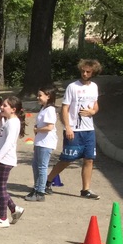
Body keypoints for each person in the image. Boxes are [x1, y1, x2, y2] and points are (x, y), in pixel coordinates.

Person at [46, 59, 102, 199]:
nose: (85, 74)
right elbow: (65, 108)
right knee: (67, 159)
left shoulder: (94, 87)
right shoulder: (72, 87)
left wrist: (93, 111)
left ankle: (85, 190)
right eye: (83, 71)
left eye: (88, 72)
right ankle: (48, 180)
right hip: (74, 129)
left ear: (93, 72)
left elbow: (95, 105)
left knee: (89, 159)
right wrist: (68, 127)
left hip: (89, 129)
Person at [0, 96, 26, 228]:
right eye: (2, 105)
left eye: (5, 106)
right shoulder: (8, 121)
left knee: (1, 188)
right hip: (1, 158)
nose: (1, 107)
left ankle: (3, 218)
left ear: (13, 109)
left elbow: (9, 143)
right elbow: (1, 133)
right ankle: (14, 209)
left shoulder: (13, 123)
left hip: (5, 160)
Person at [26, 87, 58, 202]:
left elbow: (50, 127)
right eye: (38, 95)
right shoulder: (43, 108)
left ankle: (40, 192)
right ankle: (36, 188)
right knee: (35, 165)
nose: (38, 97)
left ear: (48, 96)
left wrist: (37, 129)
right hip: (40, 141)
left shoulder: (50, 109)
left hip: (46, 142)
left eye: (40, 95)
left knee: (42, 167)